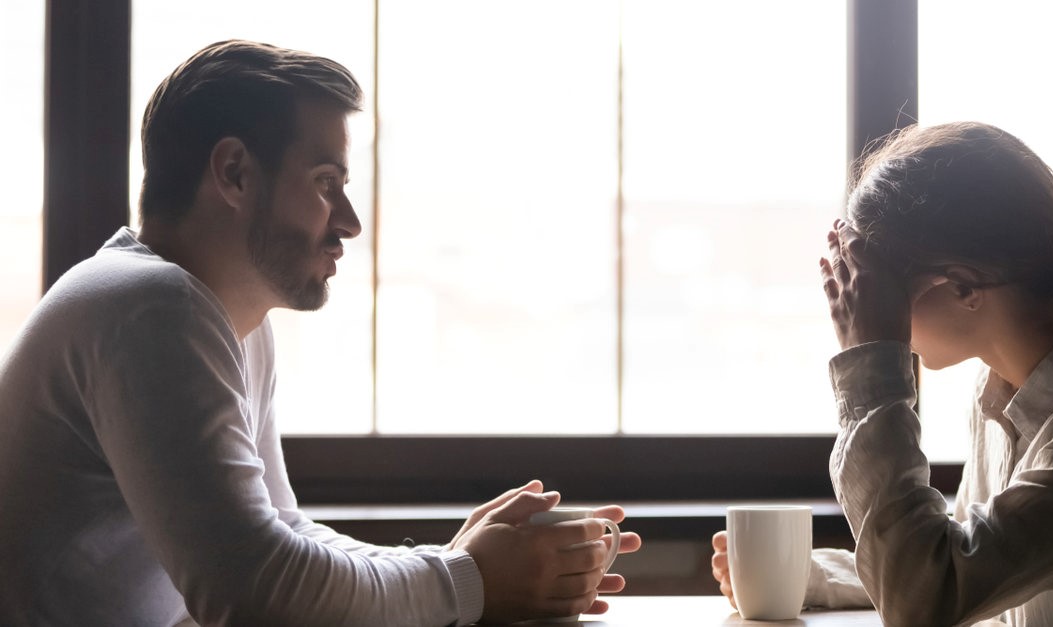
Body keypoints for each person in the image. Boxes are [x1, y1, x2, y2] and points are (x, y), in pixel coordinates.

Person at [0, 40, 639, 626]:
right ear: (235, 173)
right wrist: (466, 578)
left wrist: (462, 561)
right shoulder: (149, 307)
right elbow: (256, 591)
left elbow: (281, 533)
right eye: (325, 184)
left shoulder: (219, 318)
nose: (351, 222)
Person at [712, 122, 1053, 625]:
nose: (861, 306)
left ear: (965, 288)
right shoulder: (1000, 393)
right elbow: (977, 562)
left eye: (877, 288)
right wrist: (807, 575)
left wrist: (870, 365)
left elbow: (930, 599)